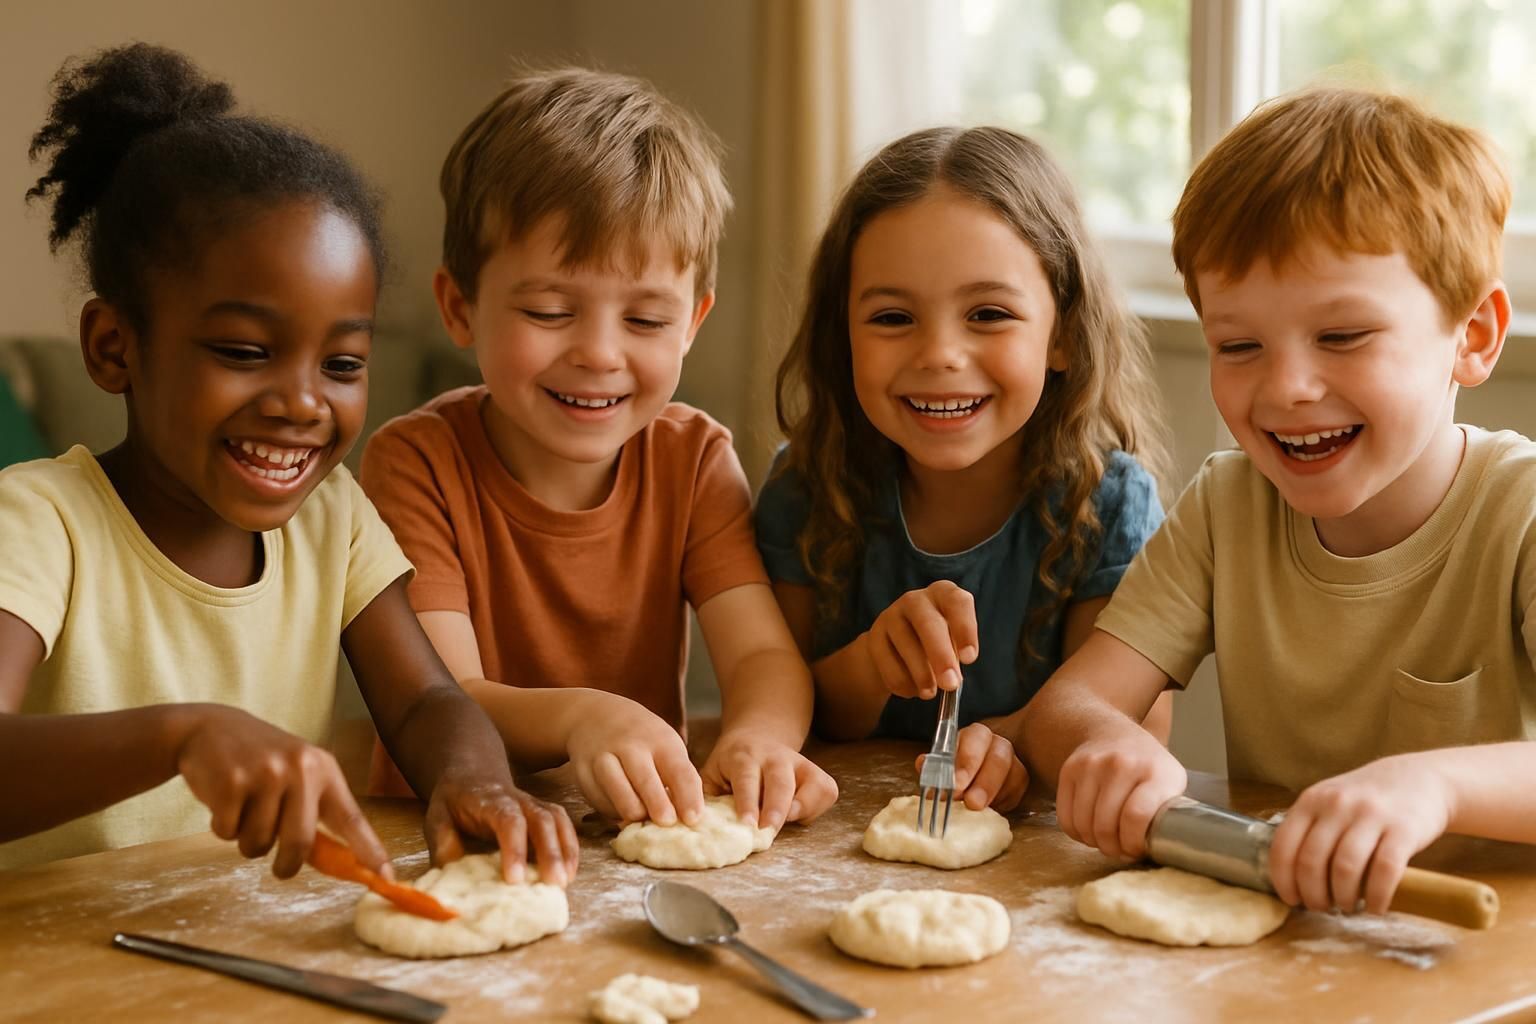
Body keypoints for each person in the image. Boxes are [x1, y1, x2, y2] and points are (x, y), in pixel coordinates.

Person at [0, 44, 577, 884]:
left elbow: (425, 702)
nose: (304, 402)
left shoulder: (331, 518)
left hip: (236, 953)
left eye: (341, 364)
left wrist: (475, 779)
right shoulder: (40, 524)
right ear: (114, 347)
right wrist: (183, 736)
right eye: (243, 350)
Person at [1009, 87, 1535, 916]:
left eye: (1342, 336)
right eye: (1239, 345)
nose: (1286, 388)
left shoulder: (1524, 515)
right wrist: (1109, 746)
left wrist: (1430, 784)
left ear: (1472, 335)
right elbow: (1066, 708)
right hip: (1298, 946)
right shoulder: (1227, 507)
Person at [361, 67, 836, 832]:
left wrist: (759, 739)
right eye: (550, 310)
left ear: (692, 322)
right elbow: (443, 696)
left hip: (631, 838)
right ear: (460, 307)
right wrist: (585, 719)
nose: (599, 353)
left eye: (646, 321)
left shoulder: (694, 460)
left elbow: (762, 660)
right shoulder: (415, 463)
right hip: (447, 838)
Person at [757, 126, 1170, 812]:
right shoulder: (806, 488)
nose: (941, 354)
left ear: (1062, 333)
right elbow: (786, 709)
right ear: (842, 335)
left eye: (988, 313)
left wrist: (1012, 745)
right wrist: (872, 664)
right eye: (893, 317)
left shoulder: (1111, 506)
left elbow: (1132, 732)